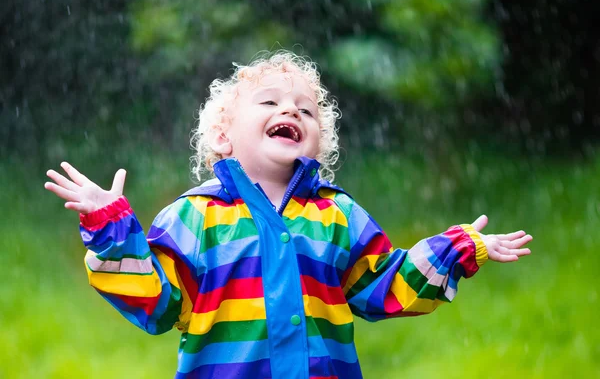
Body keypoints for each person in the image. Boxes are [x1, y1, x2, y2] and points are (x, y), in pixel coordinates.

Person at [44, 51, 532, 379]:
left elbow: (384, 285)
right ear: (222, 135)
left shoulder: (338, 215)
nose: (292, 111)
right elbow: (156, 302)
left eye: (307, 110)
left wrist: (457, 250)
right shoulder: (193, 218)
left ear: (321, 142)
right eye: (271, 102)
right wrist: (110, 227)